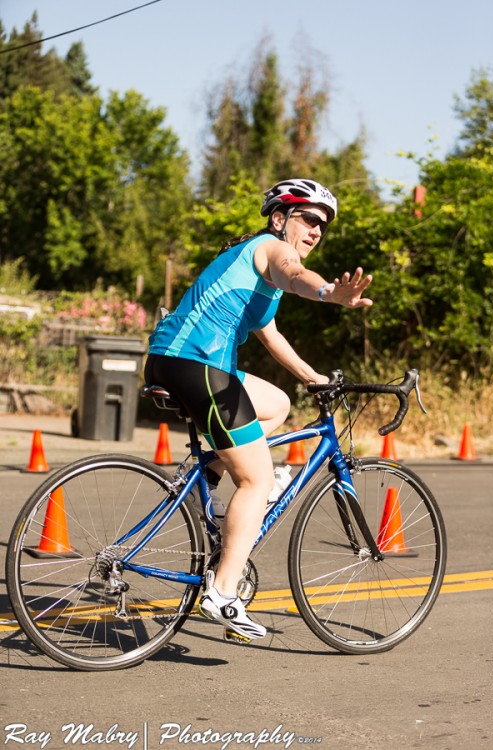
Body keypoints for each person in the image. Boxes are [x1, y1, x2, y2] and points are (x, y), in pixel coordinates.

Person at [145, 178, 373, 641]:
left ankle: (206, 475)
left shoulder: (259, 282)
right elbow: (296, 274)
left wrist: (316, 379)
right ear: (279, 218)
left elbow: (271, 337)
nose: (316, 230)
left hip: (180, 360)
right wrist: (331, 293)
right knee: (258, 479)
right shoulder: (270, 249)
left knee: (278, 403)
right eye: (308, 218)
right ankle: (223, 592)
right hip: (196, 363)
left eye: (322, 226)